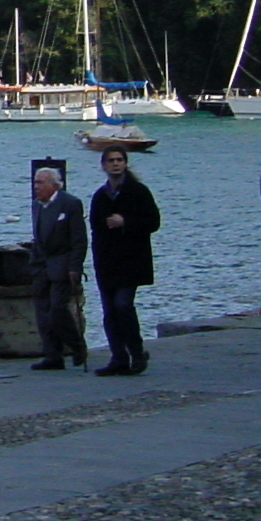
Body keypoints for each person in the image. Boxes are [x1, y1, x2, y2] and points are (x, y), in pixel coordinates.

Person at [89, 148, 160, 376]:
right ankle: (118, 357)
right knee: (110, 310)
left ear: (126, 164)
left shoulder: (139, 192)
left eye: (120, 160)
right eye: (111, 161)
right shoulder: (100, 196)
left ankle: (136, 352)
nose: (116, 164)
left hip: (132, 261)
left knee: (123, 305)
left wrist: (126, 222)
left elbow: (153, 221)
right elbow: (96, 229)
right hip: (107, 262)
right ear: (104, 165)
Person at [29, 165, 88, 370]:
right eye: (35, 182)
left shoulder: (70, 204)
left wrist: (75, 267)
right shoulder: (37, 205)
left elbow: (79, 239)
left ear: (55, 185)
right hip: (41, 265)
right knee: (42, 313)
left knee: (57, 310)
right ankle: (52, 355)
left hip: (62, 265)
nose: (36, 186)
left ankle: (77, 345)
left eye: (40, 182)